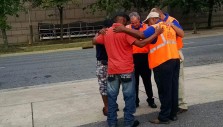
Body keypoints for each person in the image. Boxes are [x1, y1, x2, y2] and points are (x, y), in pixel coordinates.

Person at [93, 12, 163, 127]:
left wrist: (99, 33)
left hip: (112, 71)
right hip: (126, 70)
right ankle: (129, 122)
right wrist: (156, 34)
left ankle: (111, 123)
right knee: (129, 97)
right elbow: (141, 43)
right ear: (125, 21)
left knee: (111, 98)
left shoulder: (106, 32)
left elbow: (94, 41)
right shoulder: (125, 32)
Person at [113, 11, 183, 124]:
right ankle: (173, 114)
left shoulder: (155, 27)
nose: (148, 24)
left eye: (149, 21)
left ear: (154, 19)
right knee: (173, 89)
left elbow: (142, 36)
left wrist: (123, 29)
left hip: (162, 62)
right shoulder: (169, 26)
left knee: (164, 90)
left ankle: (164, 117)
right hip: (174, 60)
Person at [150, 8, 188, 114]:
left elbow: (182, 34)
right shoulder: (159, 24)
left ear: (160, 15)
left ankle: (181, 104)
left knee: (177, 82)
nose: (156, 20)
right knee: (171, 83)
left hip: (175, 53)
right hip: (167, 55)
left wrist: (171, 25)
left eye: (156, 18)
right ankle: (173, 108)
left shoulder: (171, 20)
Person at [127, 12, 157, 108]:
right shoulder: (127, 29)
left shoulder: (146, 27)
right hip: (133, 58)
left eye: (136, 22)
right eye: (133, 23)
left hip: (145, 57)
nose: (135, 24)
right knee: (134, 82)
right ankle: (135, 101)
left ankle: (150, 100)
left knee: (147, 80)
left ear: (139, 19)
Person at [95, 19, 113, 116]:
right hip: (103, 64)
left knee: (112, 86)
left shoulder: (105, 34)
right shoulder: (101, 35)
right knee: (104, 86)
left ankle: (111, 105)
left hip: (111, 64)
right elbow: (94, 41)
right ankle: (107, 106)